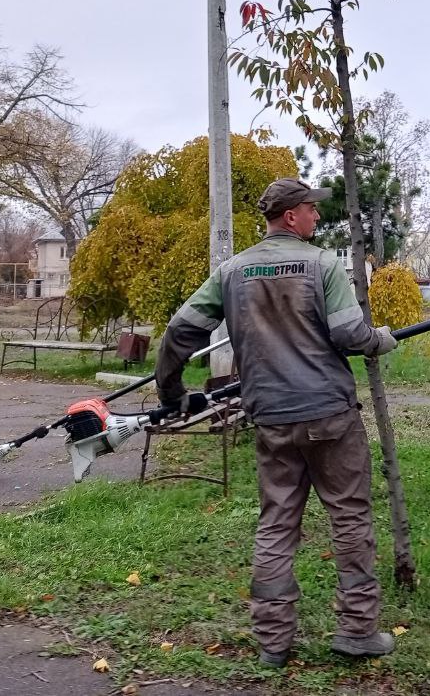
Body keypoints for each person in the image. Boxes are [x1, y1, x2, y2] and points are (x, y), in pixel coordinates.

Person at [154, 177, 399, 667]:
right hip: (329, 415)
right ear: (290, 216)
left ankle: (272, 642)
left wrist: (173, 392)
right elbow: (349, 333)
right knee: (349, 518)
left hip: (270, 419)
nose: (316, 215)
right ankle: (356, 631)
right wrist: (381, 340)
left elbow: (181, 329)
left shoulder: (232, 272)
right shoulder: (324, 264)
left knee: (276, 525)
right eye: (311, 208)